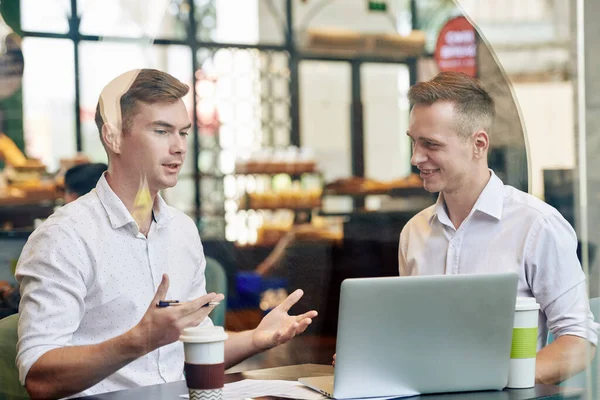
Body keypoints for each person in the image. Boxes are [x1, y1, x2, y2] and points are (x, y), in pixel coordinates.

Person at [15, 69, 318, 399]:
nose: (179, 148)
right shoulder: (64, 237)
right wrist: (141, 339)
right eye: (162, 131)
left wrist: (258, 337)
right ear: (112, 137)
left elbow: (195, 346)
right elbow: (38, 377)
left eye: (184, 133)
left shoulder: (182, 231)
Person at [398, 71, 597, 385]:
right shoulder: (414, 232)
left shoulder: (537, 225)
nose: (415, 158)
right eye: (414, 142)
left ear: (478, 144)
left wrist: (493, 376)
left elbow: (578, 342)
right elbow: (412, 337)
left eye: (431, 145)